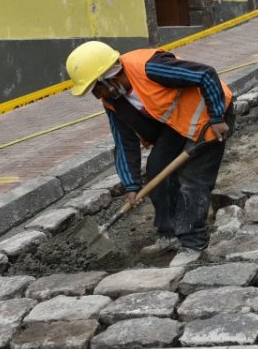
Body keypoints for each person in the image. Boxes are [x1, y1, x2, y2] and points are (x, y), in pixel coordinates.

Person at [65, 40, 234, 267]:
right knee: (156, 172)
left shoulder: (148, 67)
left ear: (109, 76)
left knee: (192, 179)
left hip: (211, 118)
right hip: (176, 126)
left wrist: (216, 117)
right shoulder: (113, 101)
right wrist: (132, 185)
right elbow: (124, 141)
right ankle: (170, 233)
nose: (97, 96)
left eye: (97, 88)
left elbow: (205, 74)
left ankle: (194, 243)